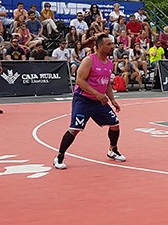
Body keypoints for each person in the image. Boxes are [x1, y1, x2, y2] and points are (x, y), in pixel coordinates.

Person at [53, 34, 125, 170]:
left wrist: (112, 99)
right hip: (83, 100)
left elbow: (107, 83)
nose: (112, 47)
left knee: (115, 124)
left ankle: (112, 150)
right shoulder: (89, 60)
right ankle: (59, 156)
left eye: (112, 44)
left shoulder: (109, 63)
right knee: (75, 129)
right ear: (99, 46)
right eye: (108, 44)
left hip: (99, 101)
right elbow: (79, 81)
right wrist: (97, 94)